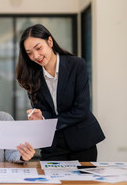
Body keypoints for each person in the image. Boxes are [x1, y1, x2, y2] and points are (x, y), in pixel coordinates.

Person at [15, 24, 105, 162]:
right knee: (52, 183)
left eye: (38, 48)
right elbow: (44, 110)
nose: (36, 56)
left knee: (84, 183)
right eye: (29, 53)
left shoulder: (77, 65)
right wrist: (41, 117)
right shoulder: (32, 76)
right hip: (52, 145)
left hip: (82, 140)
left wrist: (49, 123)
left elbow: (81, 109)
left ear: (50, 42)